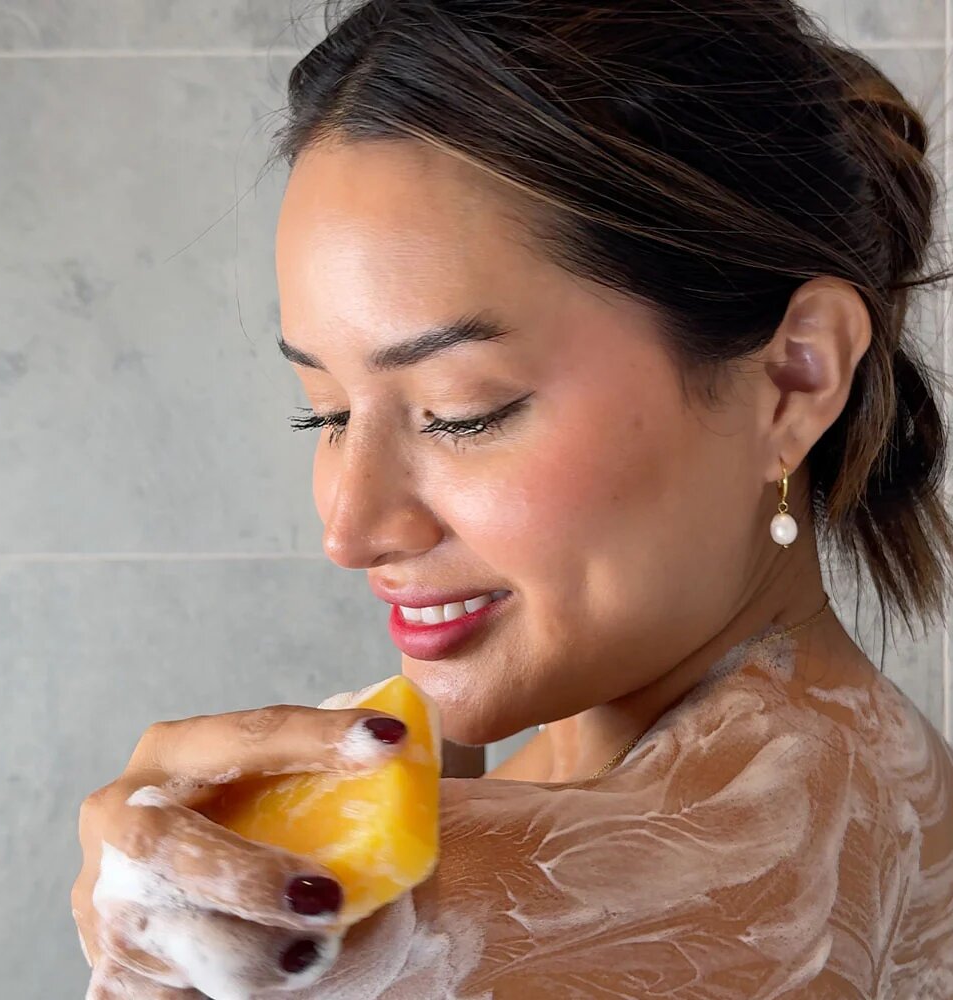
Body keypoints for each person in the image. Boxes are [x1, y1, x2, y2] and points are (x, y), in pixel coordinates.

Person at [71, 1, 953, 996]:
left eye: (462, 412)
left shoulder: (709, 867)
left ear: (793, 377)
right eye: (325, 412)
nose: (349, 531)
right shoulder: (849, 775)